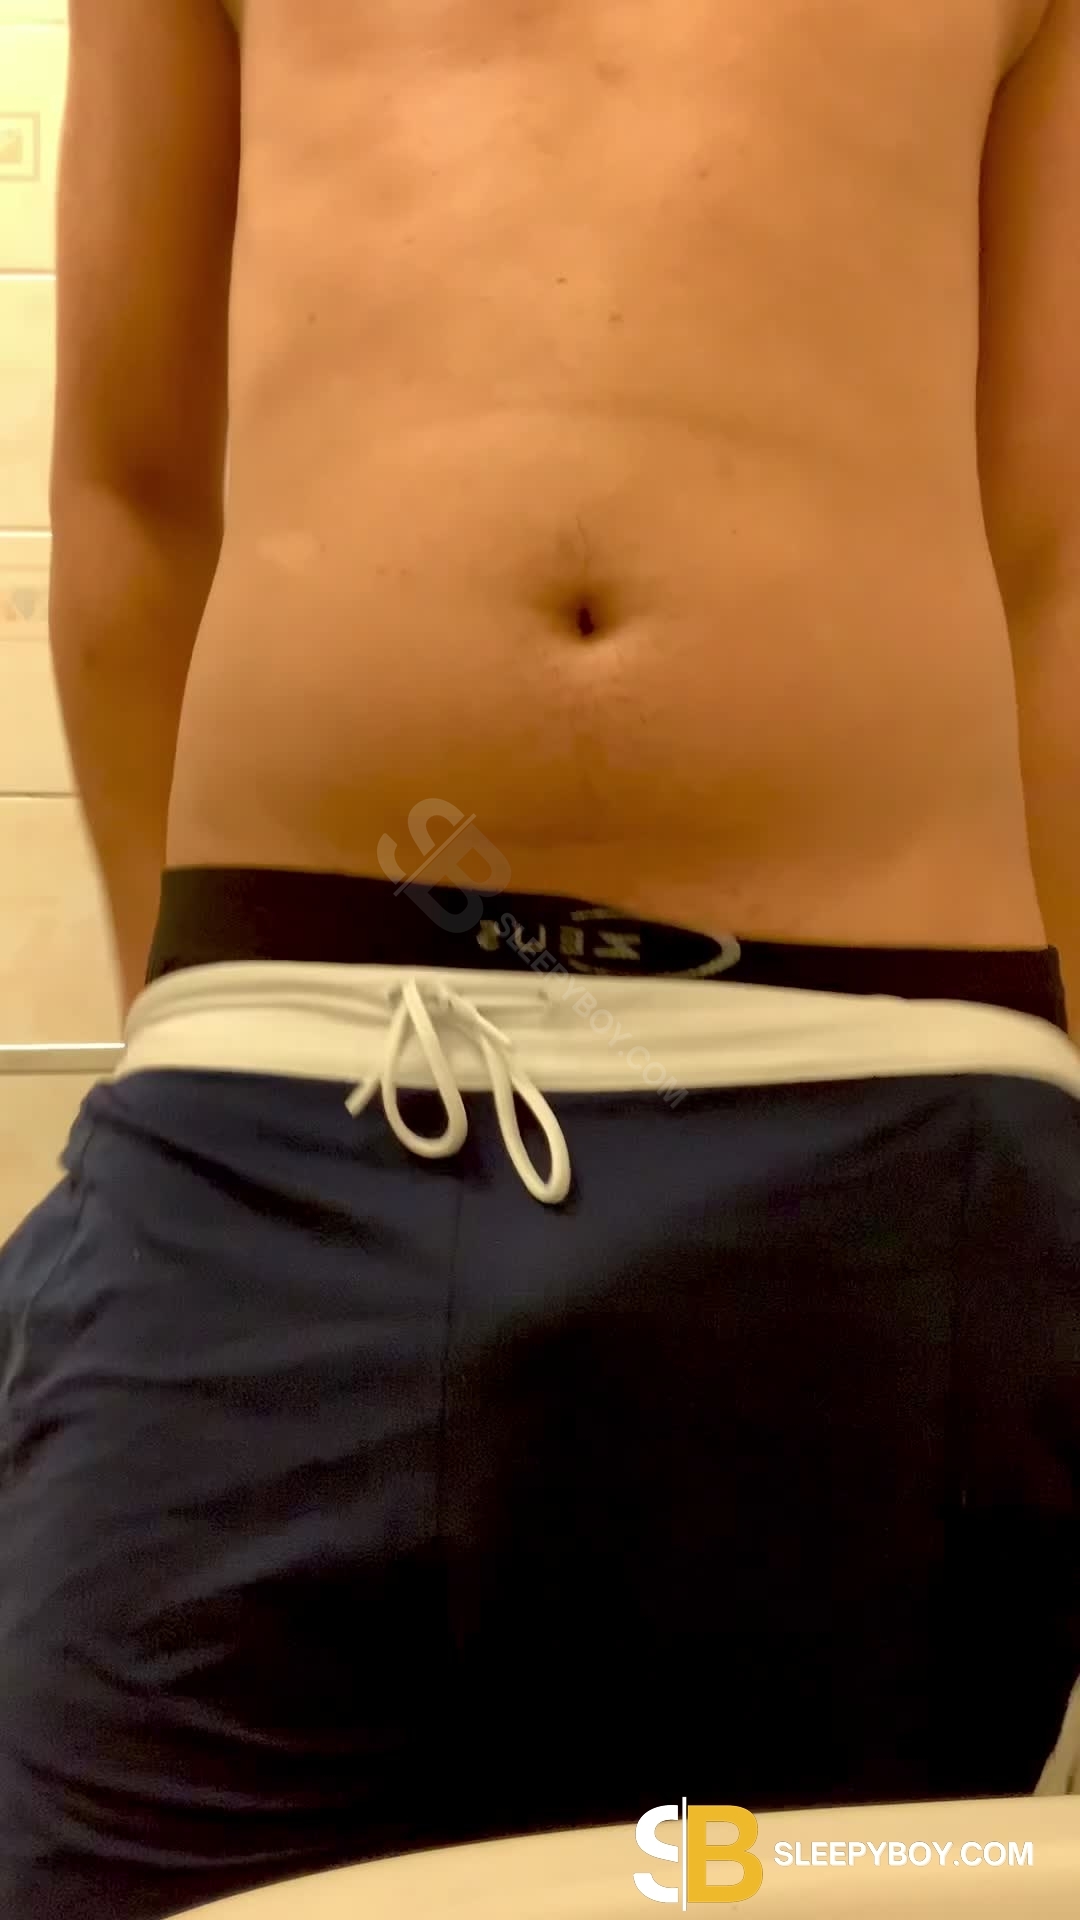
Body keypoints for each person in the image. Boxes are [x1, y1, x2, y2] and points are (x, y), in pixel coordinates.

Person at [1, 0, 1079, 1914]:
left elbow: (1055, 552)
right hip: (285, 1105)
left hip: (893, 1143)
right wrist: (191, 1055)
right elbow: (134, 486)